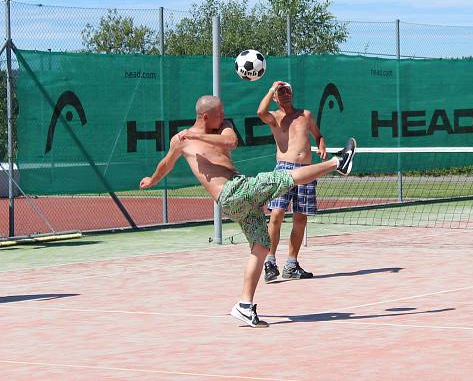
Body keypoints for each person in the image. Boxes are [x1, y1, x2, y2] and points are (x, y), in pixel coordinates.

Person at [139, 95, 356, 327]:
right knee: (283, 178)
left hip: (240, 193)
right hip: (232, 193)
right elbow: (166, 163)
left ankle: (244, 305)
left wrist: (198, 135)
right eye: (219, 113)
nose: (223, 116)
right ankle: (337, 163)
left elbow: (231, 142)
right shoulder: (181, 140)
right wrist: (152, 179)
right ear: (205, 116)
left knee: (261, 246)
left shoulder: (223, 128)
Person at [256, 81, 324, 281]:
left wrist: (321, 146)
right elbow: (260, 111)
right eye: (280, 92)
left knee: (300, 218)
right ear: (275, 97)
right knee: (276, 215)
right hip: (283, 170)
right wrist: (271, 88)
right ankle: (270, 261)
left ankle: (291, 265)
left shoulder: (306, 115)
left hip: (307, 171)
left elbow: (319, 136)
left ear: (291, 94)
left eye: (287, 91)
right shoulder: (274, 117)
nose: (284, 94)